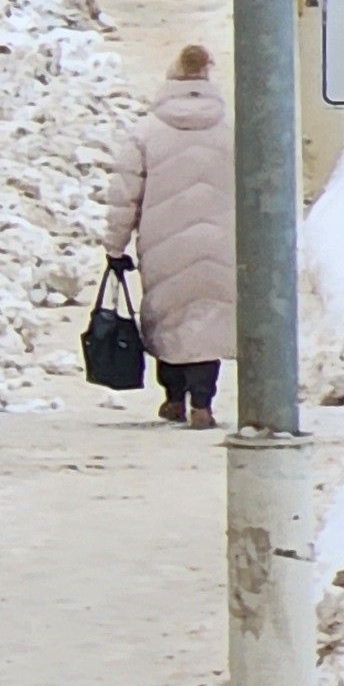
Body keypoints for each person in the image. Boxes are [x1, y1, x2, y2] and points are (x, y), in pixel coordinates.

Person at [103, 43, 232, 429]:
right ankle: (203, 403)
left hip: (163, 244)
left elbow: (124, 195)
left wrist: (114, 246)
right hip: (221, 242)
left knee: (168, 314)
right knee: (209, 317)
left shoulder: (146, 133)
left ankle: (173, 398)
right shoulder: (232, 130)